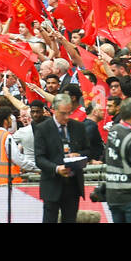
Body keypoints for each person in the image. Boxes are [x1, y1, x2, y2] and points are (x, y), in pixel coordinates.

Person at [33, 94, 93, 223]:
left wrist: (79, 155)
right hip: (52, 184)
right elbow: (39, 158)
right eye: (63, 113)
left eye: (69, 113)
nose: (66, 117)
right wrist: (56, 168)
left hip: (73, 185)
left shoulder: (78, 127)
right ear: (53, 110)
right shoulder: (43, 129)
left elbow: (89, 151)